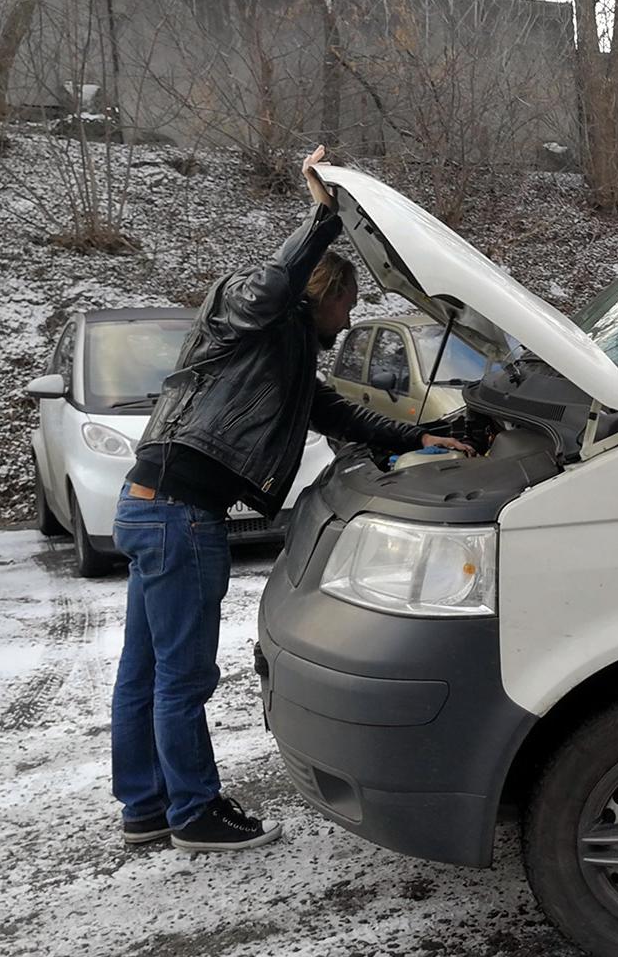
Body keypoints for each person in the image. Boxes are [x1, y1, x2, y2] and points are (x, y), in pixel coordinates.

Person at [110, 145, 470, 851]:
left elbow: (338, 414)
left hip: (152, 506)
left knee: (145, 670)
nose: (350, 317)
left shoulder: (285, 356)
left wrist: (426, 434)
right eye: (349, 302)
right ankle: (193, 812)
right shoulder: (244, 309)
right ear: (324, 289)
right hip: (179, 515)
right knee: (182, 676)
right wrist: (321, 221)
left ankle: (146, 806)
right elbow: (269, 291)